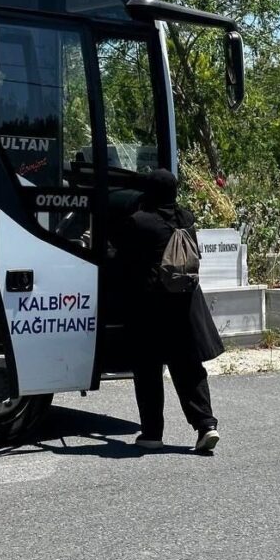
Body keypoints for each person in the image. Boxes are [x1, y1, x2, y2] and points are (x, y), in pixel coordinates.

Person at [112, 168, 224, 453]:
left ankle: (152, 433)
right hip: (185, 306)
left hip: (151, 307)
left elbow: (121, 259)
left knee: (148, 369)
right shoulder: (186, 220)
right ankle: (206, 426)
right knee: (188, 368)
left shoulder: (139, 222)